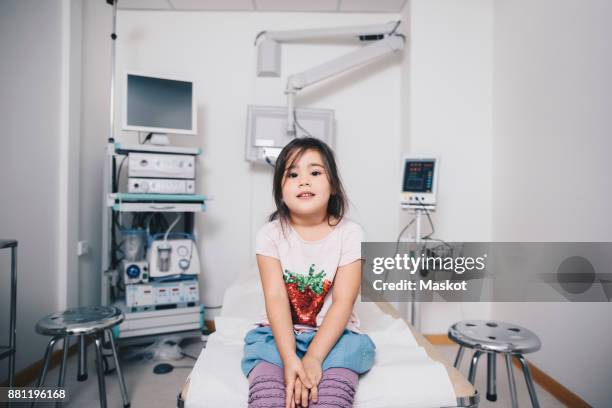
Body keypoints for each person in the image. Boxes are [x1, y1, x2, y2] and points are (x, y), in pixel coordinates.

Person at [241, 137, 375, 408]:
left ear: (334, 186)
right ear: (280, 190)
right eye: (292, 174)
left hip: (334, 334)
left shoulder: (351, 234)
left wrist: (314, 357)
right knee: (266, 386)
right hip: (278, 333)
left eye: (315, 172)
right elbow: (276, 296)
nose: (303, 180)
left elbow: (343, 302)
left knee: (341, 373)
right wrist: (290, 358)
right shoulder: (270, 234)